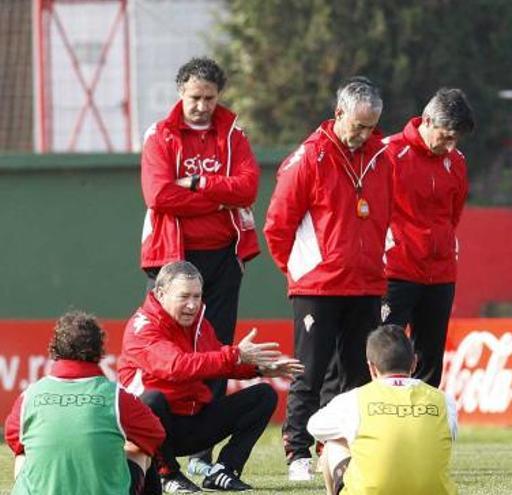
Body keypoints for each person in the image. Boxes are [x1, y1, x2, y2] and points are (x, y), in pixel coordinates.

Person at [264, 77, 393, 481]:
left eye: (371, 126)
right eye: (358, 126)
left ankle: (336, 449)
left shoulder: (381, 158)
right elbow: (277, 225)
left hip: (366, 282)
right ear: (338, 114)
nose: (364, 134)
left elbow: (384, 217)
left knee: (356, 373)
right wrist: (300, 271)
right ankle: (297, 451)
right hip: (317, 286)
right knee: (310, 368)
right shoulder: (308, 158)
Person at [139, 56, 260, 477]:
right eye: (195, 97)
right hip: (174, 257)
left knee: (218, 348)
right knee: (172, 349)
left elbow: (248, 189)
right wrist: (218, 197)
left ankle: (205, 457)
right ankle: (163, 448)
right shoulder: (161, 135)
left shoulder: (233, 134)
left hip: (224, 256)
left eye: (210, 98)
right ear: (180, 93)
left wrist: (197, 183)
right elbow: (159, 196)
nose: (202, 106)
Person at [117, 261, 302, 492]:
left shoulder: (198, 322)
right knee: (152, 401)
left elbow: (215, 361)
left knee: (264, 395)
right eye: (184, 296)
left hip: (191, 421)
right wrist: (235, 355)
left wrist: (258, 369)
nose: (192, 305)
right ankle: (168, 474)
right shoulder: (142, 326)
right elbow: (176, 367)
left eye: (197, 296)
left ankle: (224, 470)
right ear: (161, 293)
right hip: (152, 432)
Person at [4, 311, 165, 495]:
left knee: (23, 454)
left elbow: (13, 439)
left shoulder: (30, 395)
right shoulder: (115, 397)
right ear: (99, 350)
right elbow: (155, 434)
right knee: (139, 450)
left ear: (55, 348)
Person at [382, 88, 474, 387]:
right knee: (387, 353)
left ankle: (422, 428)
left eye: (456, 139)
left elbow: (453, 215)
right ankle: (382, 426)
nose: (450, 146)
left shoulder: (456, 161)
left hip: (441, 272)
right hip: (395, 270)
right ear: (428, 121)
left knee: (430, 357)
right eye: (446, 136)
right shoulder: (388, 153)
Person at [307, 324, 457, 495]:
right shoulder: (445, 401)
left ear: (371, 367)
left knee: (333, 443)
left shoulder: (354, 400)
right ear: (414, 362)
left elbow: (314, 427)